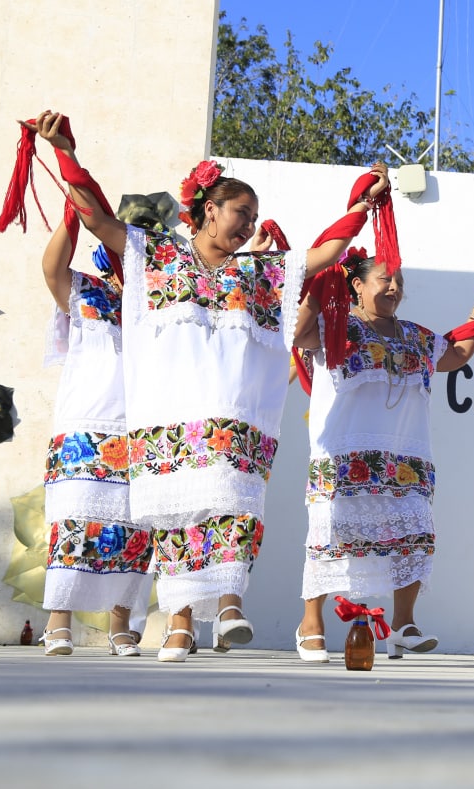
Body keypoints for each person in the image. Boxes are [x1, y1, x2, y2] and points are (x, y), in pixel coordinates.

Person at [23, 110, 382, 662]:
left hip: (232, 418)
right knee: (174, 517)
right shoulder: (156, 259)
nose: (248, 224)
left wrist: (359, 208)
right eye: (241, 212)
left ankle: (229, 607)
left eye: (255, 216)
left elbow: (322, 255)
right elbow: (94, 215)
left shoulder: (255, 273)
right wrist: (66, 152)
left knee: (234, 506)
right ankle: (178, 626)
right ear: (208, 210)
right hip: (171, 420)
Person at [290, 250, 474, 661]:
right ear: (358, 286)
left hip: (405, 454)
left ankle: (403, 624)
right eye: (385, 279)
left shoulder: (415, 335)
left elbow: (454, 355)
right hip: (345, 452)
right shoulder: (336, 327)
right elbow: (297, 335)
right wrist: (317, 290)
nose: (394, 288)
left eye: (399, 282)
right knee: (330, 534)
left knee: (412, 537)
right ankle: (310, 622)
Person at [39, 223, 153, 657]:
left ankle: (120, 624)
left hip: (141, 427)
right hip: (85, 423)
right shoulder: (86, 292)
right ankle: (58, 622)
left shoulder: (158, 306)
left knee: (133, 530)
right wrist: (72, 215)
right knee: (74, 522)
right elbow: (52, 269)